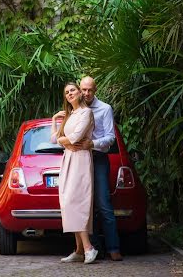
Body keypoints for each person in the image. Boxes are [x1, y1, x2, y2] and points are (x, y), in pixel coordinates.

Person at [72, 76, 123, 261]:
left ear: (95, 90)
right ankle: (92, 248)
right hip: (80, 160)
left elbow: (110, 138)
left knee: (103, 204)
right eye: (83, 89)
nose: (86, 93)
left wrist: (92, 144)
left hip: (98, 158)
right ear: (80, 89)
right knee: (84, 205)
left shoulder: (105, 109)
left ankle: (113, 247)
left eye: (89, 90)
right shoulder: (75, 108)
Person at [51, 82, 98, 264]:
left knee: (76, 201)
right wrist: (55, 119)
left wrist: (65, 141)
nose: (70, 94)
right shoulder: (69, 115)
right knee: (67, 201)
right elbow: (54, 139)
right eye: (66, 92)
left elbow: (76, 138)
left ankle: (88, 248)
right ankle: (79, 250)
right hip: (68, 158)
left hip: (80, 159)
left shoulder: (86, 113)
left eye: (72, 90)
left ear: (80, 92)